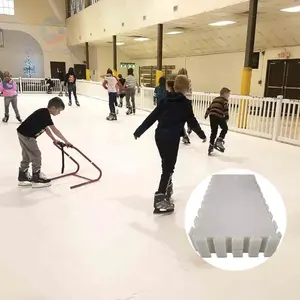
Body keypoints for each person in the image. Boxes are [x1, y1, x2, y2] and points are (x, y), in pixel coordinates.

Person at [133, 75, 207, 214]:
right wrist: (202, 135)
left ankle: (168, 187)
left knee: (166, 164)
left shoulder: (165, 100)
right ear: (186, 88)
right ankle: (160, 198)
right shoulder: (185, 103)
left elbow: (152, 117)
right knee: (168, 168)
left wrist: (139, 131)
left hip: (159, 137)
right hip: (171, 139)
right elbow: (192, 122)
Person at [17, 97, 72, 188]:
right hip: (28, 136)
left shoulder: (43, 113)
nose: (59, 113)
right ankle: (36, 177)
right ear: (53, 108)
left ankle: (22, 175)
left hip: (22, 133)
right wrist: (66, 141)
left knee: (27, 155)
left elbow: (46, 128)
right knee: (36, 155)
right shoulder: (45, 114)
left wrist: (54, 140)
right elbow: (55, 130)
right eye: (59, 111)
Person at [205, 87, 230, 155]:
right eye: (228, 95)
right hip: (219, 115)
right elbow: (225, 109)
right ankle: (219, 140)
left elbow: (210, 107)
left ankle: (211, 146)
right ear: (224, 94)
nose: (228, 96)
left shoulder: (215, 99)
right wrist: (227, 116)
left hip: (212, 116)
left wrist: (206, 114)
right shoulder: (225, 100)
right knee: (225, 128)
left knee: (214, 131)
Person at [178, 68, 193, 144]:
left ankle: (184, 136)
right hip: (189, 99)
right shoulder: (189, 80)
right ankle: (190, 126)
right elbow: (190, 90)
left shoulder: (179, 80)